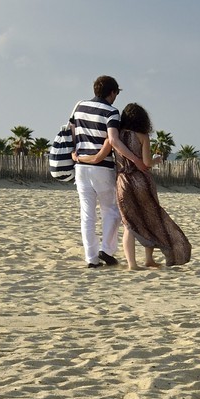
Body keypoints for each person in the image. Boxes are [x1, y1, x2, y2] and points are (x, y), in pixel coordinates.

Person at [78, 103, 190, 268]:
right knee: (149, 217)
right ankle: (149, 259)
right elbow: (145, 163)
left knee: (129, 223)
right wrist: (156, 160)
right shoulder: (142, 136)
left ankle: (132, 264)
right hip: (141, 181)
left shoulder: (114, 137)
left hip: (123, 182)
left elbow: (98, 157)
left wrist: (78, 158)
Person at [71, 75, 126, 268]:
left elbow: (72, 128)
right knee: (111, 210)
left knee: (87, 214)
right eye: (116, 93)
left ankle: (91, 259)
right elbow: (112, 140)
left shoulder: (79, 106)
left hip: (81, 166)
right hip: (101, 168)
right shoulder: (112, 112)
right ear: (112, 92)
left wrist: (76, 151)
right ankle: (107, 250)